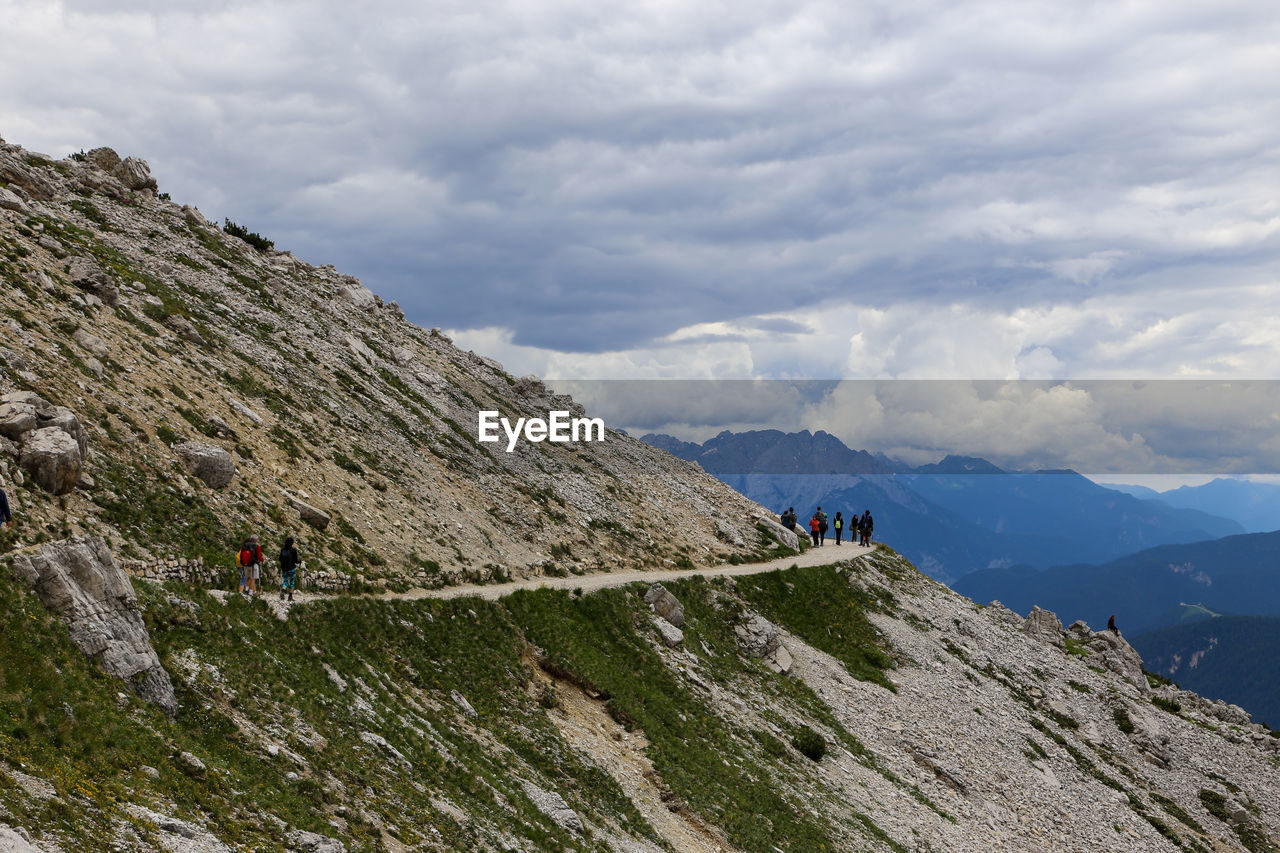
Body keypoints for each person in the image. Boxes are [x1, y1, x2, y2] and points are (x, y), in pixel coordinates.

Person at [279, 537, 300, 602]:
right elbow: (296, 560)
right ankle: (290, 597)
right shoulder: (293, 550)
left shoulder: (282, 550)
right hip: (291, 568)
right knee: (292, 582)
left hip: (284, 568)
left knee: (285, 581)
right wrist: (299, 562)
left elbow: (279, 559)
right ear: (292, 543)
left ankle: (283, 589)